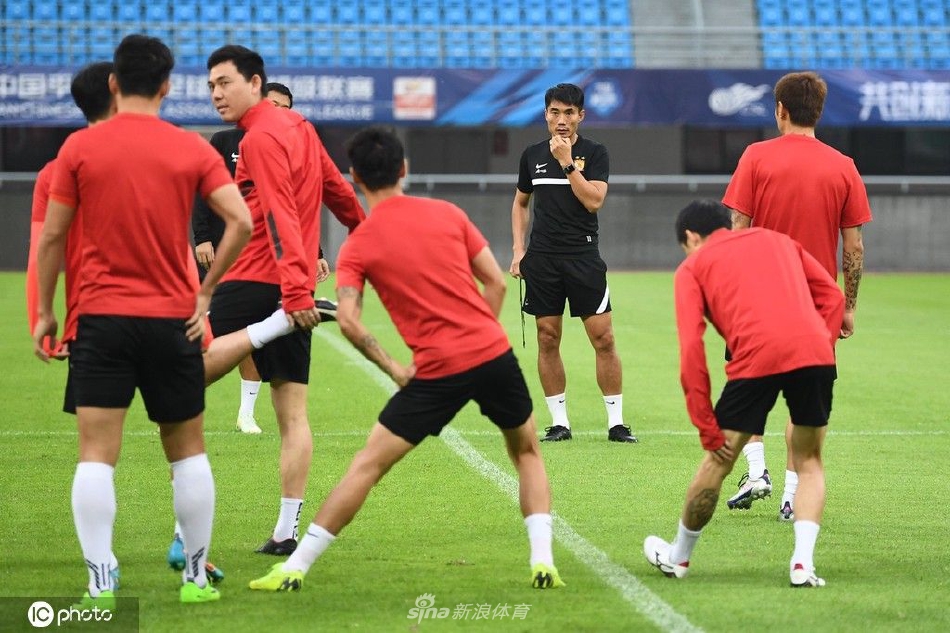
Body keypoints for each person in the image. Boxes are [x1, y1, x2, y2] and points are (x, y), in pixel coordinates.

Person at [249, 126, 564, 592]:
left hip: (434, 371)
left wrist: (395, 369)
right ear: (404, 169)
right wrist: (480, 336)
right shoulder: (447, 213)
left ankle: (295, 567)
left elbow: (349, 320)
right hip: (492, 356)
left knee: (367, 466)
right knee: (526, 451)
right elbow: (496, 283)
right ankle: (542, 562)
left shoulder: (358, 244)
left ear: (355, 177)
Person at [32, 34, 253, 606]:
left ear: (113, 84)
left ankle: (99, 582)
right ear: (167, 85)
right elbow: (242, 222)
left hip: (101, 320)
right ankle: (195, 580)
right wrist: (206, 290)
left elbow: (52, 236)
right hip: (172, 320)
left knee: (95, 454)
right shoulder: (190, 148)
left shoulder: (78, 150)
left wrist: (46, 312)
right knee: (188, 450)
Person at [205, 45, 365, 556]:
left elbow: (277, 212)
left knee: (181, 381)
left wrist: (293, 295)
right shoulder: (302, 128)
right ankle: (285, 531)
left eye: (224, 83)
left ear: (255, 83)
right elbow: (337, 190)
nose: (216, 94)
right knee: (292, 414)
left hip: (254, 279)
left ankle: (188, 533)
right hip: (292, 285)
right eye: (211, 86)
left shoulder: (258, 137)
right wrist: (367, 232)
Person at [643, 200, 844, 588]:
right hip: (814, 354)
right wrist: (820, 343)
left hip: (755, 359)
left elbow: (692, 351)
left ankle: (678, 557)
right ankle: (802, 566)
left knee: (717, 462)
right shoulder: (779, 241)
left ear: (690, 237)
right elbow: (832, 298)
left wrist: (704, 424)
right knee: (809, 462)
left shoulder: (692, 269)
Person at [722, 71, 872, 519]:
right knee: (804, 400)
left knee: (747, 382)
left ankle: (756, 471)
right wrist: (848, 307)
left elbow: (738, 228)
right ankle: (791, 494)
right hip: (817, 302)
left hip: (760, 294)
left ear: (780, 110)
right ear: (819, 112)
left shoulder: (756, 156)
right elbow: (854, 247)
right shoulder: (843, 165)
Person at [191, 81, 334, 436]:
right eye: (272, 105)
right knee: (211, 336)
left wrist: (314, 252)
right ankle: (179, 403)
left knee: (263, 338)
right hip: (228, 256)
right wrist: (204, 237)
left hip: (276, 263)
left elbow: (297, 208)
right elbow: (203, 192)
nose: (277, 113)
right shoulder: (226, 141)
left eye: (285, 108)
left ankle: (246, 413)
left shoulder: (295, 146)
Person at [509, 83, 636, 443]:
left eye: (569, 112)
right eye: (555, 112)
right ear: (545, 115)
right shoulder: (531, 155)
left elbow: (594, 201)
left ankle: (616, 423)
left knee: (603, 338)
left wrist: (567, 163)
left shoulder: (595, 153)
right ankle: (559, 422)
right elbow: (520, 203)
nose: (561, 119)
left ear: (581, 115)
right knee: (547, 338)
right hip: (542, 260)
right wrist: (518, 250)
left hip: (583, 257)